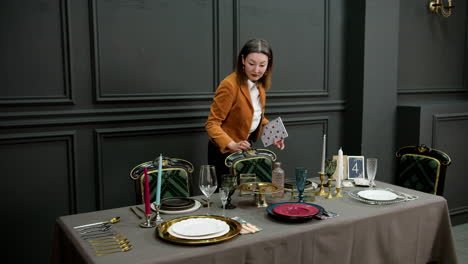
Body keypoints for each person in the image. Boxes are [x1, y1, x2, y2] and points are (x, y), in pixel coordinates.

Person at [205, 39, 285, 185]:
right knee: (226, 202)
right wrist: (232, 144)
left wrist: (274, 133)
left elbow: (255, 116)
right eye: (251, 63)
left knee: (245, 200)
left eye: (262, 65)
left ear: (268, 65)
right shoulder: (229, 85)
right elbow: (212, 124)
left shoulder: (259, 85)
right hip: (224, 154)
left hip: (244, 149)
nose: (256, 70)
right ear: (242, 60)